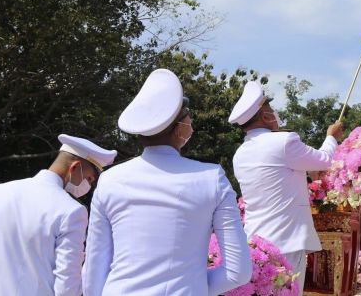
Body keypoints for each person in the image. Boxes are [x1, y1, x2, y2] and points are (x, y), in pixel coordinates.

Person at [82, 69, 251, 296]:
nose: (191, 121)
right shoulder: (211, 177)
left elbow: (94, 267)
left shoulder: (110, 179)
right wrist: (193, 286)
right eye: (187, 116)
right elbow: (237, 272)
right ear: (179, 128)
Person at [0, 134, 116, 295]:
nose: (88, 186)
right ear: (74, 167)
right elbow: (66, 287)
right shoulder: (72, 211)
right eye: (89, 179)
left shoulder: (0, 191)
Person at [231, 80, 343, 296]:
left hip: (257, 242)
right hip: (286, 242)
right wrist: (331, 136)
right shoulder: (284, 141)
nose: (275, 113)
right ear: (264, 116)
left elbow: (275, 179)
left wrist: (306, 174)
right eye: (270, 109)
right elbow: (325, 159)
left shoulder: (240, 154)